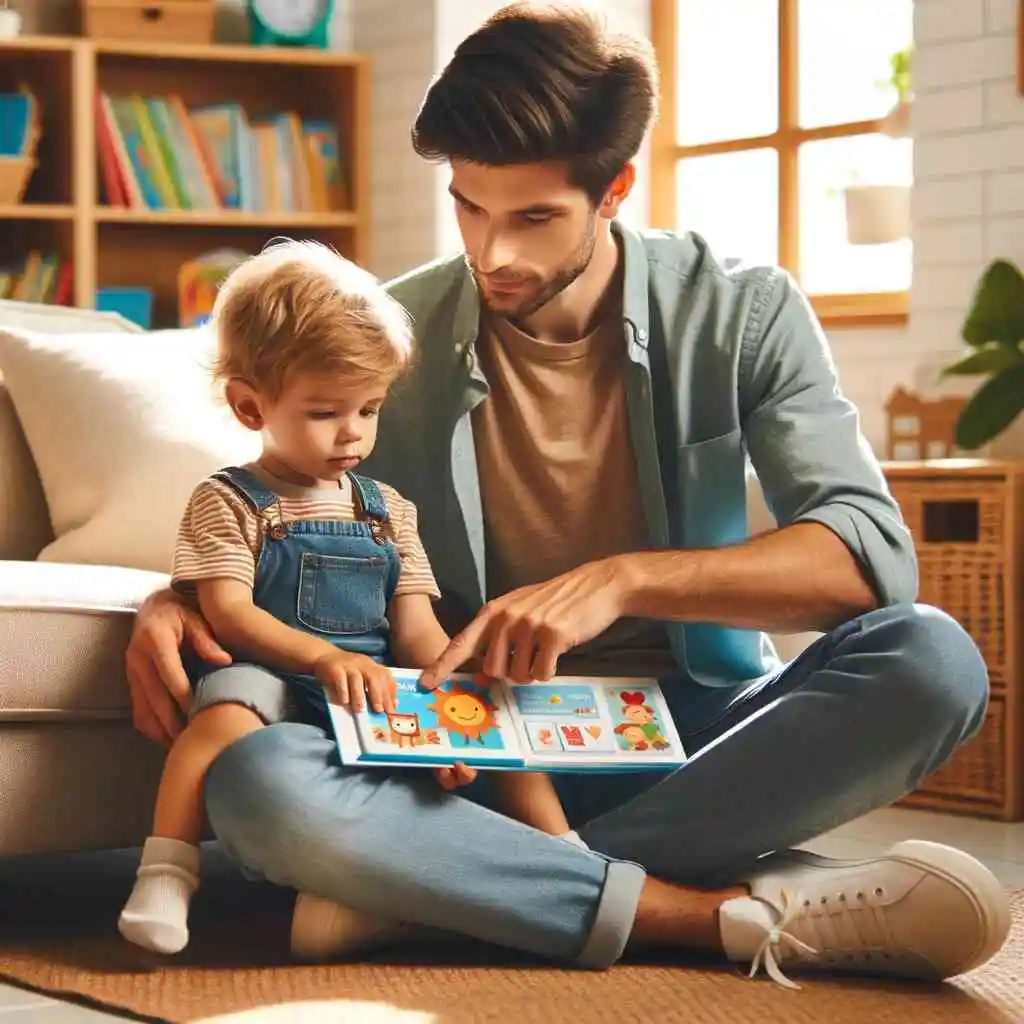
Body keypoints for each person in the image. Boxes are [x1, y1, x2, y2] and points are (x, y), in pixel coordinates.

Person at [124, 1, 1011, 988]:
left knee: (931, 658)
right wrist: (176, 594)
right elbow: (267, 492)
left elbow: (868, 558)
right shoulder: (392, 332)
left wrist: (624, 580)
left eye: (534, 216)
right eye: (470, 206)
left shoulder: (741, 310)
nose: (493, 252)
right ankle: (700, 912)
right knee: (256, 779)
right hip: (468, 745)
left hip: (694, 730)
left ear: (615, 189)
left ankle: (449, 892)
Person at [116, 239, 579, 957]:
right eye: (326, 412)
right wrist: (321, 657)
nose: (354, 433)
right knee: (222, 724)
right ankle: (166, 871)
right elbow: (229, 614)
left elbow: (417, 625)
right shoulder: (229, 501)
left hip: (372, 685)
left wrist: (450, 693)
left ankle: (572, 859)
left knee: (497, 730)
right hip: (270, 675)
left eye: (369, 408)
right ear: (249, 406)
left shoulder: (387, 509)